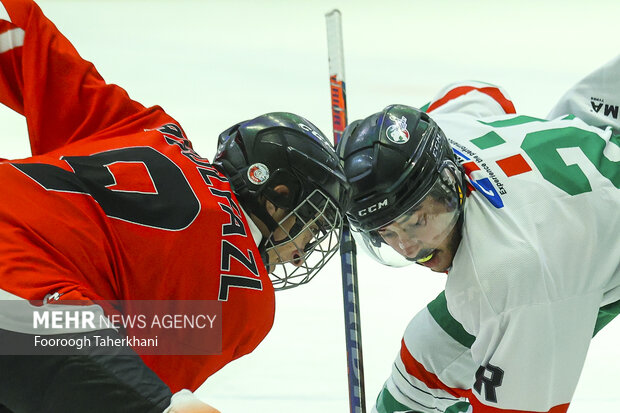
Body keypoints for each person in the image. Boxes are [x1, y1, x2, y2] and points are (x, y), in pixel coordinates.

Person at [0, 0, 348, 412]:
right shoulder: (248, 294)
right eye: (311, 226)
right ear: (278, 195)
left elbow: (34, 49)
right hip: (23, 302)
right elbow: (132, 364)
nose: (302, 250)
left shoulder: (151, 130)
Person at [337, 56, 620, 413]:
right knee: (427, 358)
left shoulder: (511, 274)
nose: (407, 248)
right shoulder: (443, 136)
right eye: (386, 233)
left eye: (415, 222)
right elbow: (476, 94)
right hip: (599, 130)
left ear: (447, 186)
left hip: (567, 254)